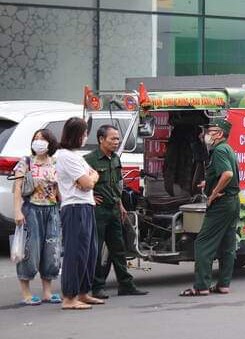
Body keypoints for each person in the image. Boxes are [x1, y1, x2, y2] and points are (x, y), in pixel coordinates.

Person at [84, 125, 147, 298]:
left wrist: (121, 205)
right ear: (101, 139)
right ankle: (97, 286)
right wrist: (90, 196)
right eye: (112, 138)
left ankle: (125, 284)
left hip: (114, 209)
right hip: (98, 211)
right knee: (96, 250)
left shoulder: (115, 159)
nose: (116, 142)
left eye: (117, 138)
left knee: (118, 248)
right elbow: (78, 182)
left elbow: (117, 184)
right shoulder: (89, 160)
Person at [180, 117, 240, 297]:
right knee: (228, 243)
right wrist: (210, 182)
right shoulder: (228, 149)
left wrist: (213, 193)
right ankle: (223, 285)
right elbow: (226, 174)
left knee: (203, 243)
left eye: (210, 131)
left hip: (221, 203)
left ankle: (201, 286)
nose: (206, 135)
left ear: (220, 134)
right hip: (233, 201)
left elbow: (228, 174)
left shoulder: (220, 150)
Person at [55, 117, 104, 310]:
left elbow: (93, 175)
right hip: (75, 207)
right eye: (84, 134)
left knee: (90, 252)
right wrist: (89, 179)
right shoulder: (66, 156)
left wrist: (90, 178)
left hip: (86, 204)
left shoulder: (76, 156)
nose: (85, 137)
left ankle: (83, 292)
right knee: (75, 253)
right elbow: (88, 182)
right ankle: (69, 297)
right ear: (77, 135)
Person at [12, 129, 62, 305]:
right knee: (30, 250)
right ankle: (26, 294)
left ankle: (47, 292)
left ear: (50, 143)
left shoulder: (56, 163)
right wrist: (17, 211)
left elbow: (60, 189)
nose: (38, 141)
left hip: (52, 210)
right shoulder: (25, 162)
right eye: (36, 138)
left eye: (42, 138)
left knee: (51, 251)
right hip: (32, 210)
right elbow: (17, 187)